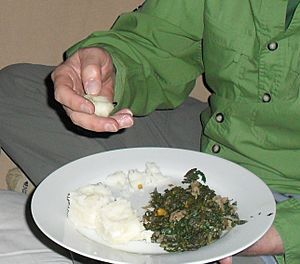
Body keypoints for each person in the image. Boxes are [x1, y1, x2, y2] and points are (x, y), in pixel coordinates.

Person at [0, 0, 300, 263]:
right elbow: (158, 43)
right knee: (14, 93)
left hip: (291, 196)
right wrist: (112, 70)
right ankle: (68, 193)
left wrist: (285, 233)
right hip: (217, 140)